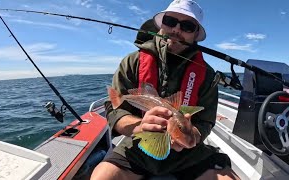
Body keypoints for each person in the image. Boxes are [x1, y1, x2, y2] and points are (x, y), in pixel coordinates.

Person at [91, 0, 240, 179]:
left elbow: (206, 121)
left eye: (187, 26)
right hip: (140, 145)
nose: (176, 30)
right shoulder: (133, 62)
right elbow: (114, 110)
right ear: (162, 25)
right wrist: (139, 127)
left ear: (196, 34)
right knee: (103, 176)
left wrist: (194, 134)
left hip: (187, 153)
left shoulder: (206, 75)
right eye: (170, 21)